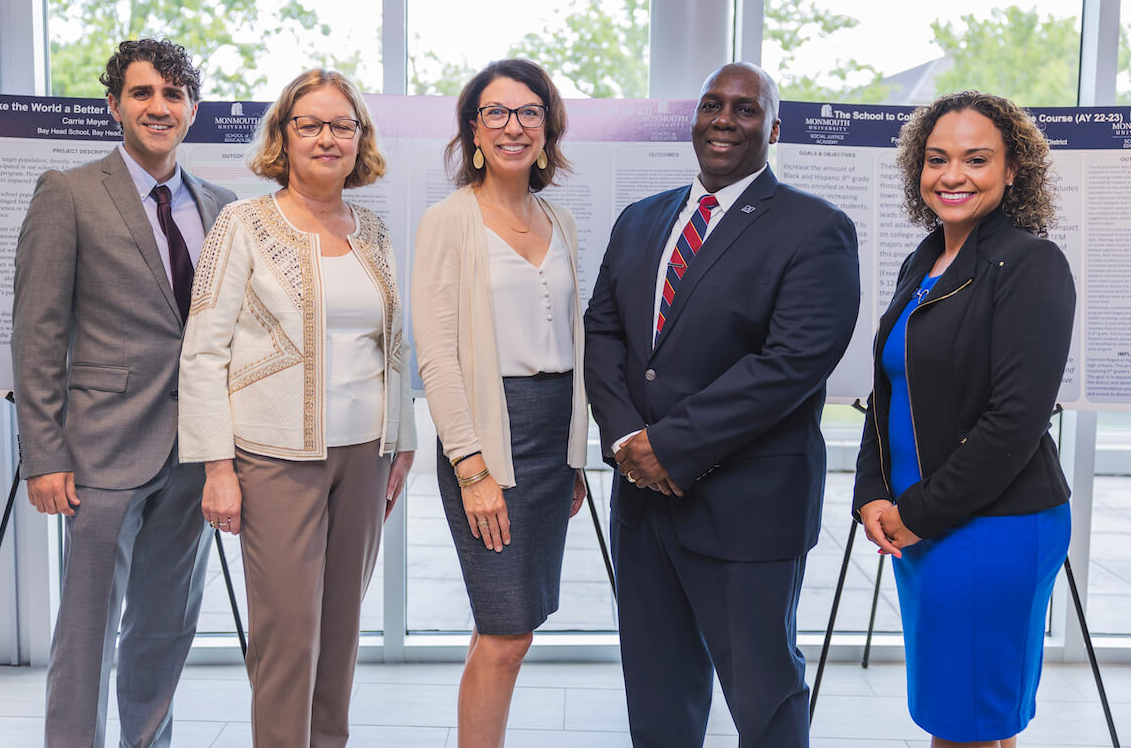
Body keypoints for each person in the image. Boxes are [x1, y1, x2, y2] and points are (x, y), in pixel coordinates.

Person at [584, 62, 860, 748]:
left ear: (774, 125)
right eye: (712, 104)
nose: (724, 120)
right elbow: (604, 332)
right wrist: (625, 441)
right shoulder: (640, 220)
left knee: (763, 698)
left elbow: (790, 364)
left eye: (744, 108)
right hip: (643, 504)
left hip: (748, 509)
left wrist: (668, 447)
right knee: (657, 697)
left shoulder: (814, 228)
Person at [177, 68, 415, 748]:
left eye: (343, 125)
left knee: (341, 633)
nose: (327, 137)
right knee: (288, 638)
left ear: (359, 139)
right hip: (275, 457)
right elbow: (203, 352)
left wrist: (403, 440)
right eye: (309, 124)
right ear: (283, 134)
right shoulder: (244, 223)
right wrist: (217, 466)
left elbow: (392, 345)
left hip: (366, 456)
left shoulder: (371, 228)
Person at [11, 38, 236, 748]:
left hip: (195, 453)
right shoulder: (68, 194)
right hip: (100, 452)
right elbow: (37, 334)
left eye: (172, 96)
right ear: (114, 105)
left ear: (192, 110)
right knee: (85, 635)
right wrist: (43, 454)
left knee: (165, 627)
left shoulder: (224, 209)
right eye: (142, 94)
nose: (158, 107)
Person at [853, 91, 1074, 748]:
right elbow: (888, 391)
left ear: (1013, 171)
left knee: (966, 727)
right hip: (923, 527)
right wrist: (872, 492)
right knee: (969, 720)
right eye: (937, 159)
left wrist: (915, 512)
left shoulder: (1031, 265)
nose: (952, 176)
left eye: (976, 159)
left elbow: (1015, 421)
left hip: (993, 531)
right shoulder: (923, 262)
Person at [411, 58, 588, 747]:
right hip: (488, 434)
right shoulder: (448, 221)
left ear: (548, 129)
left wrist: (574, 455)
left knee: (518, 627)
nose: (513, 126)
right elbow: (438, 356)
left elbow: (571, 344)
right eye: (496, 113)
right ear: (473, 131)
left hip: (552, 438)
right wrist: (471, 466)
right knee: (505, 631)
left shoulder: (560, 221)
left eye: (528, 112)